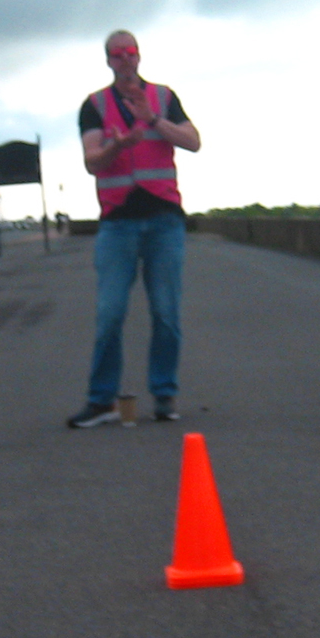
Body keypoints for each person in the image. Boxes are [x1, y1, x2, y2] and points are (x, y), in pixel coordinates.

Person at [67, 30, 200, 429]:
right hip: (118, 223)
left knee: (166, 311)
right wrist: (118, 147)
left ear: (139, 56)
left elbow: (193, 142)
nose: (125, 59)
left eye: (130, 52)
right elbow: (92, 161)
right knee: (110, 312)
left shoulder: (163, 97)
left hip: (164, 220)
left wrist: (153, 120)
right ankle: (102, 401)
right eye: (117, 54)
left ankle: (164, 395)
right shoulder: (94, 106)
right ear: (108, 60)